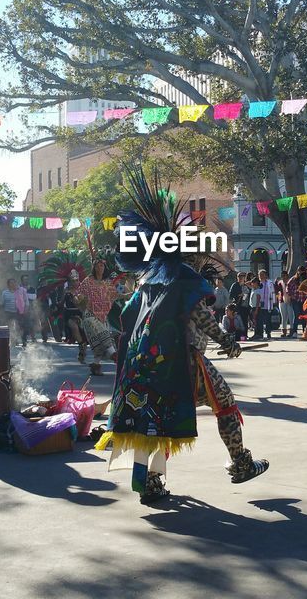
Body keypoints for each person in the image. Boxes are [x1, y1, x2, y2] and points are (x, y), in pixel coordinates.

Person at [95, 169, 268, 504]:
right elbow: (200, 315)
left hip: (141, 365)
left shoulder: (146, 279)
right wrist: (226, 340)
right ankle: (241, 463)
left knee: (153, 418)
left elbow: (126, 316)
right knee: (225, 403)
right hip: (180, 363)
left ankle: (149, 481)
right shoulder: (182, 276)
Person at [69, 258, 119, 376]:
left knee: (98, 344)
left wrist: (129, 294)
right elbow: (78, 297)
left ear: (104, 268)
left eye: (102, 266)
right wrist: (77, 299)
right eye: (97, 266)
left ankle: (95, 366)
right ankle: (115, 356)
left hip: (102, 316)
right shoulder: (87, 281)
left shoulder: (108, 283)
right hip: (89, 316)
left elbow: (116, 295)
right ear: (94, 267)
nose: (99, 268)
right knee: (105, 337)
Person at [256, 268, 276, 339]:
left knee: (268, 319)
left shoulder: (269, 283)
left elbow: (273, 292)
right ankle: (260, 333)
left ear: (265, 275)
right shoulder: (258, 283)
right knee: (260, 319)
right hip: (260, 304)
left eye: (262, 275)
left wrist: (274, 302)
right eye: (259, 275)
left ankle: (268, 332)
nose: (260, 276)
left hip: (268, 304)